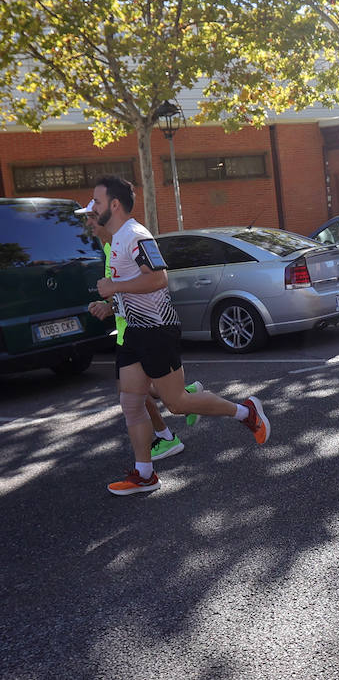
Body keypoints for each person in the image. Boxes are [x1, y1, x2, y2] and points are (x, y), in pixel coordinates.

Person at [89, 176, 269, 495]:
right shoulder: (115, 240)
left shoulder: (135, 234)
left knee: (177, 403)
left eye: (98, 202)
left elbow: (158, 279)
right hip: (134, 331)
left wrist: (114, 288)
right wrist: (111, 305)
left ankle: (246, 413)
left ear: (114, 205)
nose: (94, 208)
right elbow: (135, 290)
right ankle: (145, 473)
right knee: (131, 402)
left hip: (158, 329)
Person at [78, 199, 201, 461]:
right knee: (135, 395)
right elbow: (121, 294)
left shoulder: (123, 242)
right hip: (129, 331)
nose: (88, 222)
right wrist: (107, 305)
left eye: (91, 216)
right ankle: (169, 431)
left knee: (136, 395)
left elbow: (152, 281)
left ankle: (175, 429)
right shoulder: (108, 246)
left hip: (144, 329)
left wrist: (110, 302)